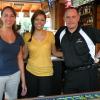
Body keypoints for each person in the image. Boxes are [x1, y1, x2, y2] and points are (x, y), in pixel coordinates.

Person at [55, 7, 100, 94]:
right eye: (67, 17)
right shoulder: (61, 32)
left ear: (78, 18)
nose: (70, 20)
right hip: (69, 75)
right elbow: (52, 46)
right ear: (64, 18)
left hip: (88, 75)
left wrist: (98, 57)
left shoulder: (88, 31)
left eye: (73, 17)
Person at [23, 10, 63, 98]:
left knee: (44, 98)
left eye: (42, 20)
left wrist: (69, 53)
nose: (39, 22)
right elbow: (24, 55)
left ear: (45, 21)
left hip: (47, 73)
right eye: (37, 19)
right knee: (31, 97)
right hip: (31, 72)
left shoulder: (50, 35)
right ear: (33, 21)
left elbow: (55, 52)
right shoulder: (27, 36)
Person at [0, 6, 27, 100]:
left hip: (14, 75)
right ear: (1, 17)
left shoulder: (18, 37)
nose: (9, 18)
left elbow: (20, 59)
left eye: (12, 16)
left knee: (11, 99)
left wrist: (23, 81)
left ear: (15, 18)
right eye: (6, 15)